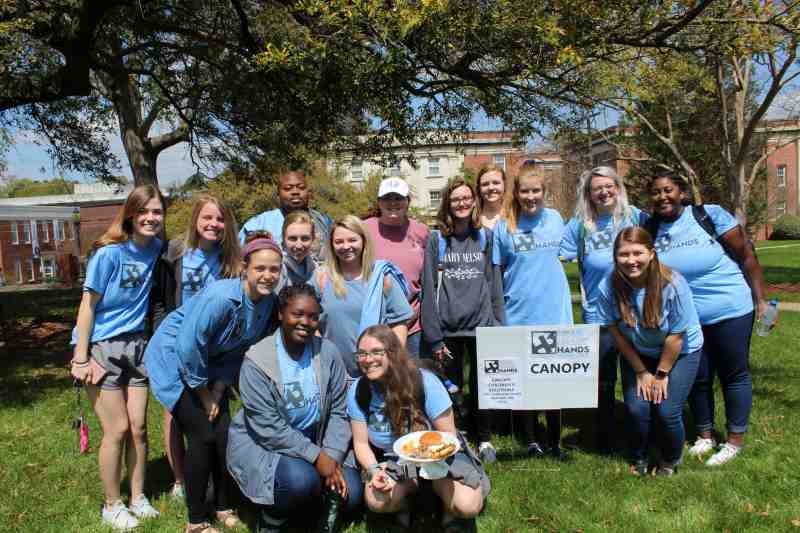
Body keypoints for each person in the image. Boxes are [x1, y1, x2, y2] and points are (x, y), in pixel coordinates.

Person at [145, 231, 282, 533]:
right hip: (175, 361)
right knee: (203, 435)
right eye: (260, 268)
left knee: (224, 436)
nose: (267, 275)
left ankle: (223, 505)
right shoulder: (222, 297)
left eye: (274, 269)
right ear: (246, 267)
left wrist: (219, 388)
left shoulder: (267, 303)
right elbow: (188, 345)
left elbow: (239, 348)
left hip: (211, 366)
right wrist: (204, 394)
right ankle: (195, 521)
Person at [645, 170, 767, 466]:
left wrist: (760, 299)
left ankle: (734, 440)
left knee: (733, 374)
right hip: (687, 318)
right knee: (699, 377)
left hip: (731, 309)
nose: (663, 196)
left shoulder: (707, 215)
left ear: (682, 193)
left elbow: (746, 255)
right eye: (657, 192)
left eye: (669, 190)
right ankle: (704, 435)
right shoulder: (649, 227)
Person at [227, 284, 363, 532]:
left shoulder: (328, 352)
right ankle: (270, 519)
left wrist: (330, 455)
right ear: (281, 314)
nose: (306, 322)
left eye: (313, 316)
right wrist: (316, 457)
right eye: (297, 314)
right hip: (269, 445)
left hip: (318, 438)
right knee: (301, 480)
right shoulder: (257, 360)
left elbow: (338, 410)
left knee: (351, 495)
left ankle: (305, 509)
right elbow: (268, 428)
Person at [69, 185, 165, 530]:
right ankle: (112, 505)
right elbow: (87, 306)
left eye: (157, 212)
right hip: (102, 347)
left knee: (139, 427)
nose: (152, 218)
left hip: (138, 346)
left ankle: (138, 498)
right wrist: (81, 358)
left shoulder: (156, 249)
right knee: (117, 429)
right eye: (145, 212)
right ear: (131, 214)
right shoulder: (109, 254)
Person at [348, 325, 490, 531]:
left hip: (441, 458)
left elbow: (449, 436)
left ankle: (446, 509)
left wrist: (425, 464)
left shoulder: (424, 381)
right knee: (376, 500)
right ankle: (407, 506)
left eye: (376, 352)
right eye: (362, 354)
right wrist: (374, 470)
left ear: (393, 353)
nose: (368, 359)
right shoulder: (359, 390)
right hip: (395, 462)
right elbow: (360, 443)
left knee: (467, 505)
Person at [150, 193, 241, 499]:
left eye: (219, 219)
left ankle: (215, 479)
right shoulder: (175, 252)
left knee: (214, 412)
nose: (213, 224)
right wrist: (163, 337)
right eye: (207, 217)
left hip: (214, 348)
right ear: (195, 220)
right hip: (177, 343)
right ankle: (179, 479)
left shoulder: (230, 261)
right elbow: (161, 299)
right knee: (175, 412)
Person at [596, 227, 703, 475]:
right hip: (638, 349)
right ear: (615, 257)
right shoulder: (608, 285)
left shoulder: (672, 284)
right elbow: (616, 332)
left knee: (666, 410)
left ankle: (670, 458)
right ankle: (640, 455)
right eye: (623, 254)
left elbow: (677, 336)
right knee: (637, 407)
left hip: (680, 350)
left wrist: (662, 374)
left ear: (652, 253)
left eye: (637, 253)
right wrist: (642, 372)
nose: (631, 261)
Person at [559, 166, 645, 453]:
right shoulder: (580, 225)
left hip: (637, 313)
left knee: (637, 376)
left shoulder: (635, 217)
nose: (604, 192)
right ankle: (605, 436)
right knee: (603, 381)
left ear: (618, 188)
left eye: (609, 186)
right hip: (599, 316)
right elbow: (555, 253)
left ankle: (641, 434)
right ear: (589, 194)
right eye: (597, 188)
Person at [421, 177, 505, 464]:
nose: (462, 203)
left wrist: (498, 325)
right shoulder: (437, 240)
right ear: (448, 203)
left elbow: (494, 283)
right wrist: (434, 336)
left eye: (467, 198)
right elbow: (429, 287)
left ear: (474, 202)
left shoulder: (485, 237)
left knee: (483, 385)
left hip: (481, 326)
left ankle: (485, 439)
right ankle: (458, 435)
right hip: (449, 327)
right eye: (456, 199)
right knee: (452, 387)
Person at [492, 164, 573, 460]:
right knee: (524, 383)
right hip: (518, 315)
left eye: (536, 190)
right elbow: (496, 274)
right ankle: (530, 441)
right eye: (525, 191)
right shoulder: (504, 226)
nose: (531, 196)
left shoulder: (555, 219)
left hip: (554, 313)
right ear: (516, 193)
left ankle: (554, 442)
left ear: (544, 192)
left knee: (553, 380)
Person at [312, 215, 414, 379]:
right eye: (339, 242)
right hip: (334, 373)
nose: (346, 246)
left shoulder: (383, 277)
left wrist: (393, 361)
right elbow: (312, 323)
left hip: (378, 370)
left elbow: (399, 323)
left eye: (352, 240)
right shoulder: (321, 278)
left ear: (364, 241)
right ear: (331, 245)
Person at [364, 177, 430, 358]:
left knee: (411, 381)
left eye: (398, 198)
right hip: (375, 321)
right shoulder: (365, 229)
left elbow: (429, 278)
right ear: (379, 202)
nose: (393, 203)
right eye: (387, 198)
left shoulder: (422, 231)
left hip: (413, 325)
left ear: (407, 201)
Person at [239, 169, 332, 260]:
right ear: (278, 194)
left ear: (309, 192)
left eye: (301, 187)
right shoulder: (258, 224)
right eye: (288, 188)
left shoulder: (324, 221)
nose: (295, 192)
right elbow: (237, 260)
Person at [277, 211, 318, 291]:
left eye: (305, 238)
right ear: (283, 239)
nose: (299, 245)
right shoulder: (277, 269)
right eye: (293, 238)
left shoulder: (315, 268)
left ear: (313, 238)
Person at [476, 164, 507, 230]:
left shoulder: (515, 215)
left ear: (504, 185)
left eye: (496, 183)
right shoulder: (472, 218)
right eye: (485, 184)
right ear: (479, 188)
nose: (490, 188)